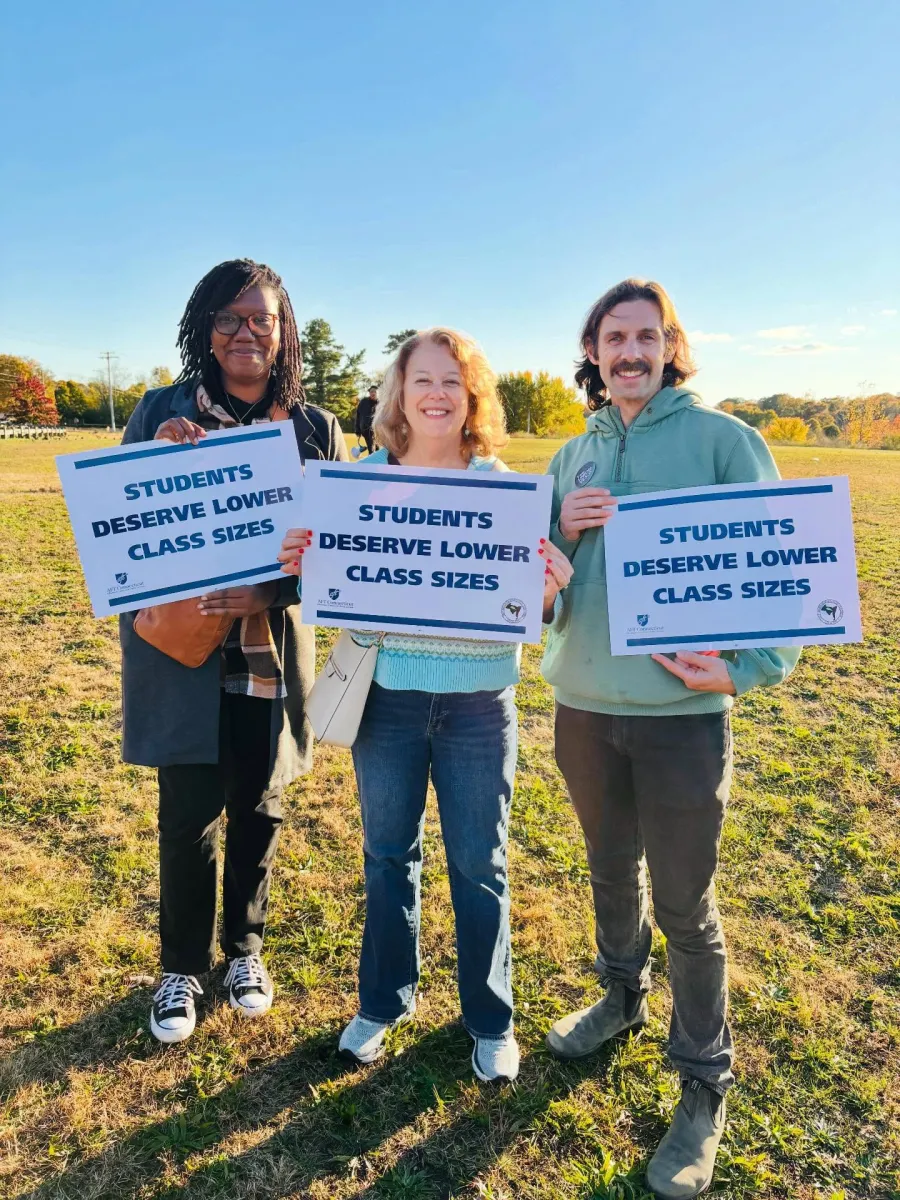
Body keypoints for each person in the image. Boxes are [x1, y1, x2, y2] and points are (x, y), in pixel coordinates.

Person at [541, 280, 800, 1199]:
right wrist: (558, 543)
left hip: (683, 722)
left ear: (670, 346)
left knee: (686, 907)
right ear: (594, 349)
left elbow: (784, 568)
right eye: (614, 337)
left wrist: (747, 668)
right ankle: (618, 995)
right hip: (583, 708)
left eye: (647, 336)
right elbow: (542, 595)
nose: (630, 351)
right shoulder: (572, 455)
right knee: (610, 871)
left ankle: (702, 1085)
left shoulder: (726, 442)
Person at [279, 328, 573, 1082]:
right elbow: (338, 590)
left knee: (481, 864)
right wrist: (309, 563)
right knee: (386, 857)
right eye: (422, 381)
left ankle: (490, 1018)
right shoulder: (358, 483)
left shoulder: (505, 487)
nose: (437, 394)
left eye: (453, 381)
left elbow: (529, 615)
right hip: (390, 703)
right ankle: (383, 1002)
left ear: (471, 395)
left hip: (479, 703)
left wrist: (544, 592)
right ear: (397, 395)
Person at [121, 259, 348, 1045]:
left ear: (284, 332)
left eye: (262, 318)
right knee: (186, 816)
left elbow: (337, 552)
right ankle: (180, 967)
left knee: (260, 806)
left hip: (266, 655)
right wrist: (158, 459)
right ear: (205, 330)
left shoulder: (314, 429)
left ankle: (245, 949)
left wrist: (272, 595)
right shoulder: (159, 411)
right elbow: (123, 533)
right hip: (182, 657)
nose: (246, 331)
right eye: (229, 318)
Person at [354, 385, 378, 454]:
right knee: (371, 448)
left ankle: (375, 461)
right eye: (371, 392)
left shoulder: (380, 403)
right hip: (366, 429)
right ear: (369, 393)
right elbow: (358, 416)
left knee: (376, 448)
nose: (373, 393)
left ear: (377, 393)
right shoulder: (363, 402)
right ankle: (371, 462)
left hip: (377, 430)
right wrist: (357, 429)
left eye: (375, 391)